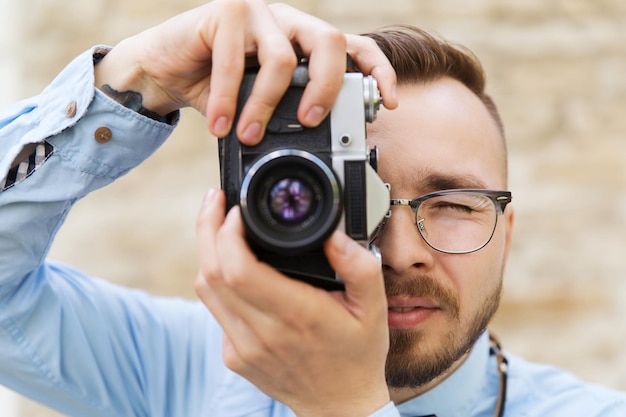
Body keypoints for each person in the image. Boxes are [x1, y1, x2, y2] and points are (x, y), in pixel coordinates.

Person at [0, 0, 624, 416]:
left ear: (504, 233)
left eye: (454, 204)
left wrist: (347, 405)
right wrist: (137, 74)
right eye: (357, 197)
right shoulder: (184, 366)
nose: (402, 253)